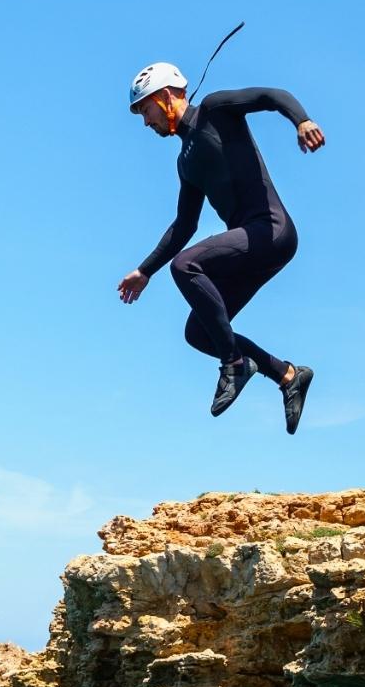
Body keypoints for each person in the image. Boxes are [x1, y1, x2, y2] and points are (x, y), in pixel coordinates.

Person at [117, 62, 325, 434]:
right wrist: (145, 270)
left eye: (145, 110)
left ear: (166, 97)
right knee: (199, 332)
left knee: (185, 266)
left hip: (271, 231)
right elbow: (185, 224)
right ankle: (288, 375)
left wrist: (302, 121)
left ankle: (235, 364)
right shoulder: (186, 161)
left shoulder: (215, 110)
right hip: (253, 248)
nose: (146, 123)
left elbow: (270, 96)